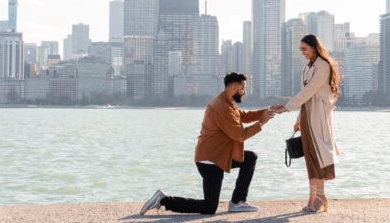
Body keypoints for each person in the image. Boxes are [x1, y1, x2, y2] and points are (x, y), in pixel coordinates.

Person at [139, 72, 282, 216]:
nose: (244, 92)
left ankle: (238, 202)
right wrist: (262, 121)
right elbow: (240, 136)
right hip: (210, 160)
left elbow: (243, 116)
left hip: (218, 156)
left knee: (250, 158)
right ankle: (164, 200)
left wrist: (267, 110)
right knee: (209, 207)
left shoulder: (226, 102)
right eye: (243, 88)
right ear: (234, 88)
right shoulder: (222, 108)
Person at [273, 34, 341, 213]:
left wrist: (287, 107)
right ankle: (314, 198)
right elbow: (304, 93)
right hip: (307, 115)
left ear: (314, 47)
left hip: (318, 115)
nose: (302, 52)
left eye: (304, 48)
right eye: (300, 49)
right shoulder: (307, 66)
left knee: (319, 155)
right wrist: (298, 120)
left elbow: (310, 90)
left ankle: (319, 197)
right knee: (311, 158)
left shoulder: (323, 66)